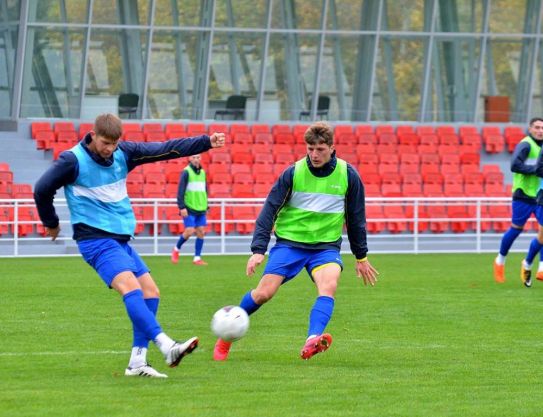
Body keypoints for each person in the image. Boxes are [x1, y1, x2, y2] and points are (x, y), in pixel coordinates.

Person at [34, 113, 226, 377]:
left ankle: (138, 361)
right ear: (92, 135)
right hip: (95, 240)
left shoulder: (124, 153)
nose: (109, 149)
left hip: (120, 240)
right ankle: (166, 345)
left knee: (151, 292)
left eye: (114, 144)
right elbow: (42, 189)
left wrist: (205, 142)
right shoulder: (72, 160)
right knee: (132, 289)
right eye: (104, 143)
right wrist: (52, 222)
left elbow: (164, 149)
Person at [213, 121, 378, 362]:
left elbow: (356, 218)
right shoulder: (293, 173)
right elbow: (269, 209)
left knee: (329, 286)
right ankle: (225, 337)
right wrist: (258, 249)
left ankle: (312, 339)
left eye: (320, 149)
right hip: (290, 244)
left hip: (325, 247)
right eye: (310, 148)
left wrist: (361, 256)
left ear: (332, 148)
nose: (314, 154)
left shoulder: (348, 175)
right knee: (264, 293)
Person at [494, 117, 543, 285]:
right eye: (537, 127)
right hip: (522, 195)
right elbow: (515, 165)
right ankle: (500, 261)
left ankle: (532, 265)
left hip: (539, 196)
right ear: (530, 129)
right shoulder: (526, 144)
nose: (540, 130)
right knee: (516, 229)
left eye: (542, 128)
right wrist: (537, 170)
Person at [170, 154, 209, 266]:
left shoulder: (203, 172)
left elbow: (204, 190)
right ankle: (176, 249)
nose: (196, 159)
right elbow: (180, 191)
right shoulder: (186, 172)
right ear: (189, 159)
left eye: (198, 157)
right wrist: (181, 206)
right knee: (189, 231)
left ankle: (197, 258)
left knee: (201, 231)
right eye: (194, 157)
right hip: (189, 207)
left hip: (201, 207)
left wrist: (206, 205)